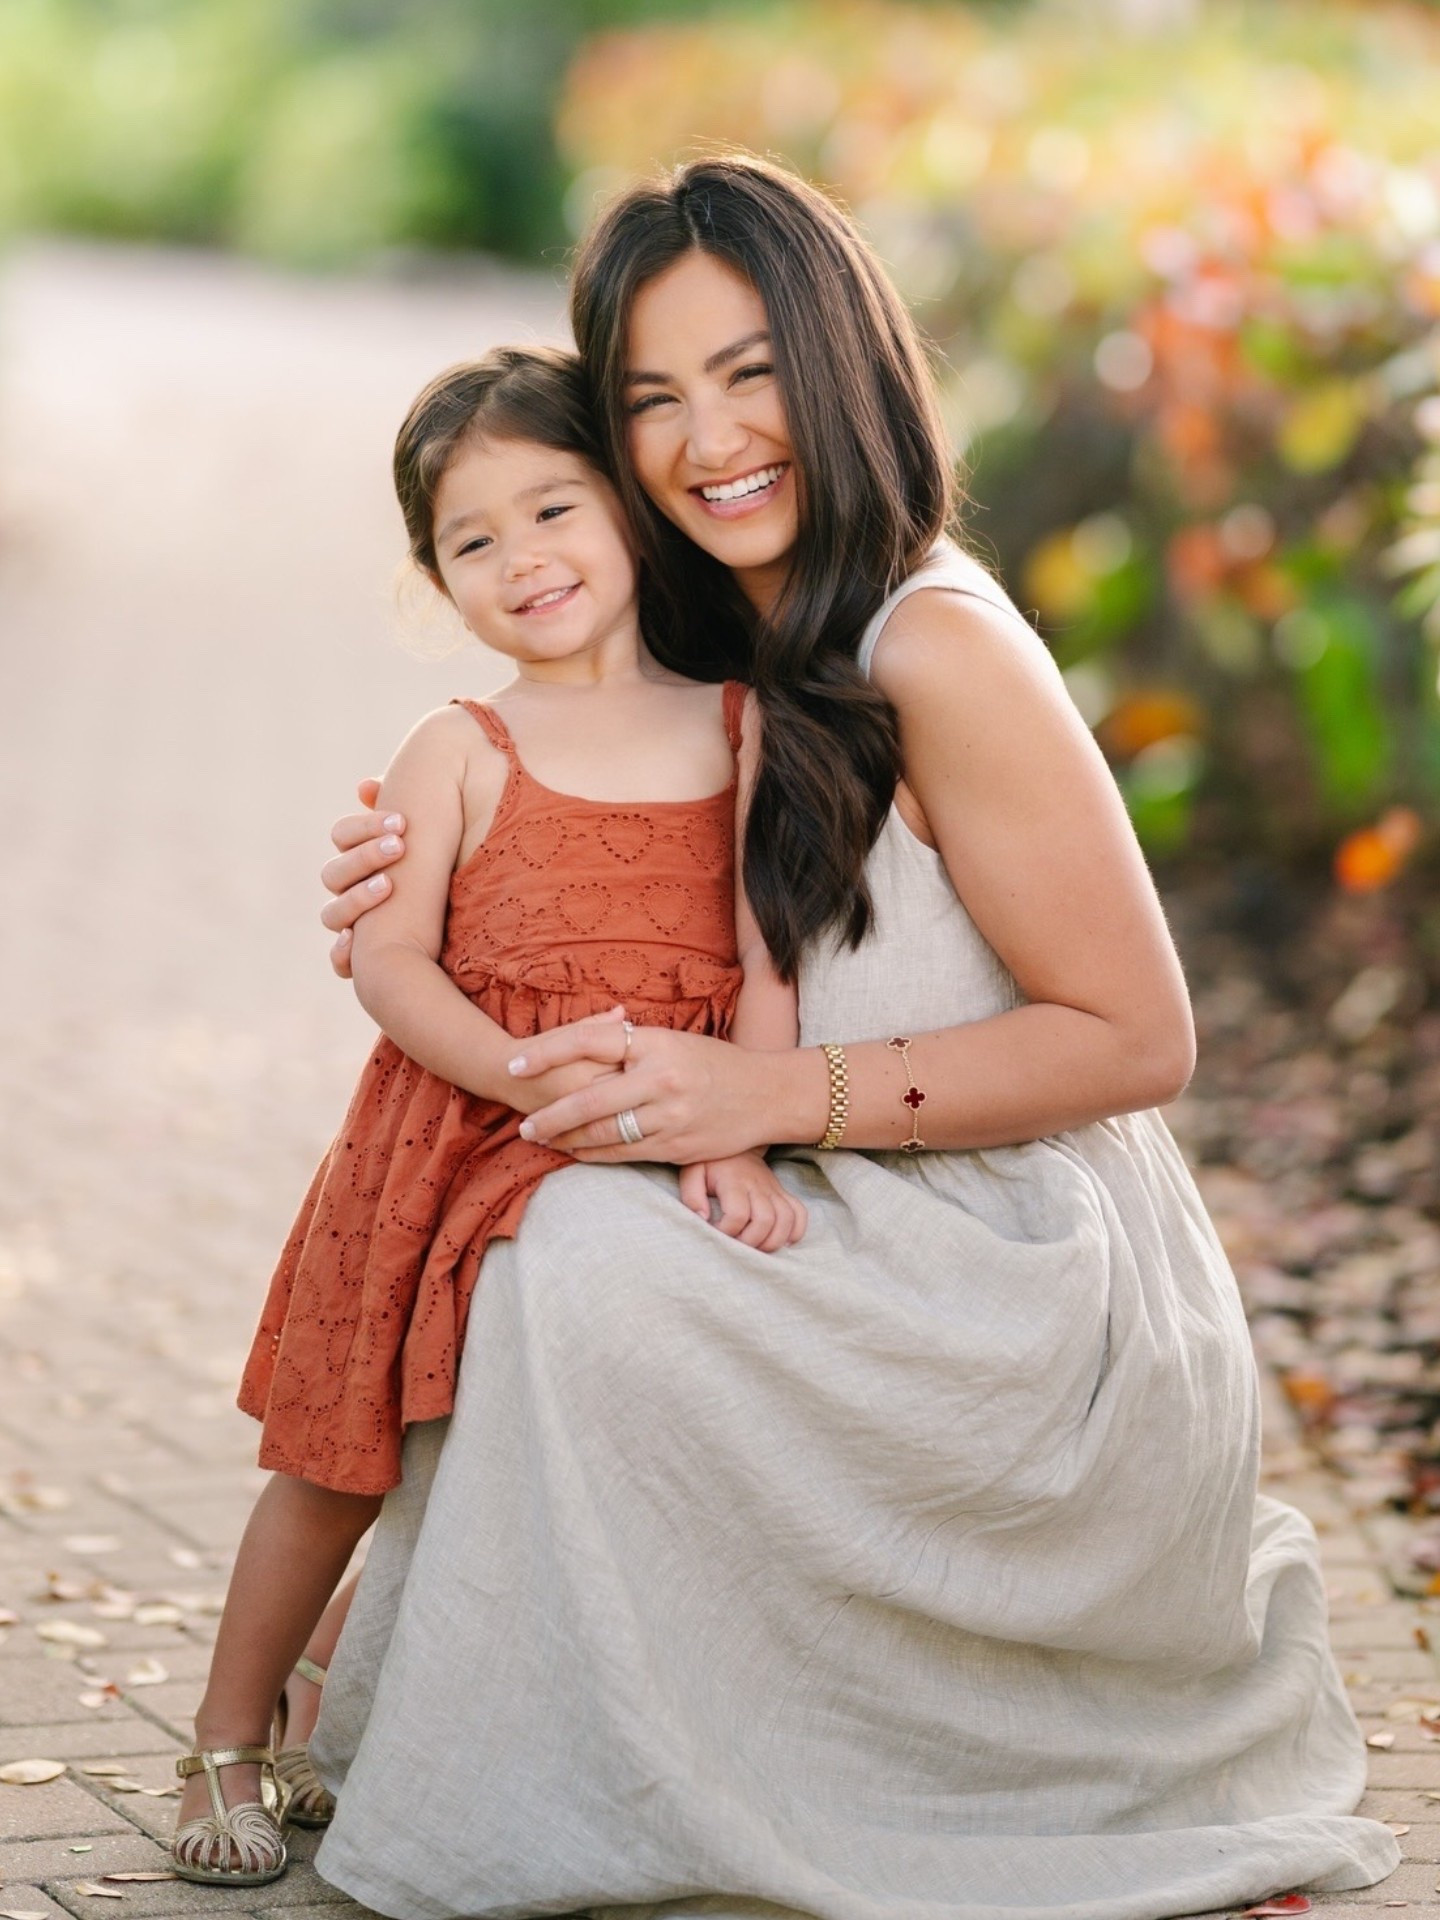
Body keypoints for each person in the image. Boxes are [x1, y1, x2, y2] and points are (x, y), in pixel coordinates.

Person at [309, 156, 1398, 1920]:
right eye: (652, 398)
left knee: (582, 1260)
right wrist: (409, 889)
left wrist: (765, 1091)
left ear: (845, 366)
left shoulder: (937, 643)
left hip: (1017, 1266)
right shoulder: (714, 626)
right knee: (516, 1209)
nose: (710, 439)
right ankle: (548, 1713)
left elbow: (1140, 1038)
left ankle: (731, 1764)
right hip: (844, 1192)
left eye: (751, 374)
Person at [170, 343, 807, 1889]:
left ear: (633, 512)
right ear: (437, 580)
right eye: (474, 539)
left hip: (652, 1140)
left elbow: (771, 949)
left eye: (554, 509)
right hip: (451, 1141)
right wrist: (515, 1071)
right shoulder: (460, 746)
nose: (523, 558)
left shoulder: (741, 726)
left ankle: (335, 1688)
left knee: (514, 1447)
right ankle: (226, 1736)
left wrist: (741, 1128)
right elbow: (390, 963)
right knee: (343, 1461)